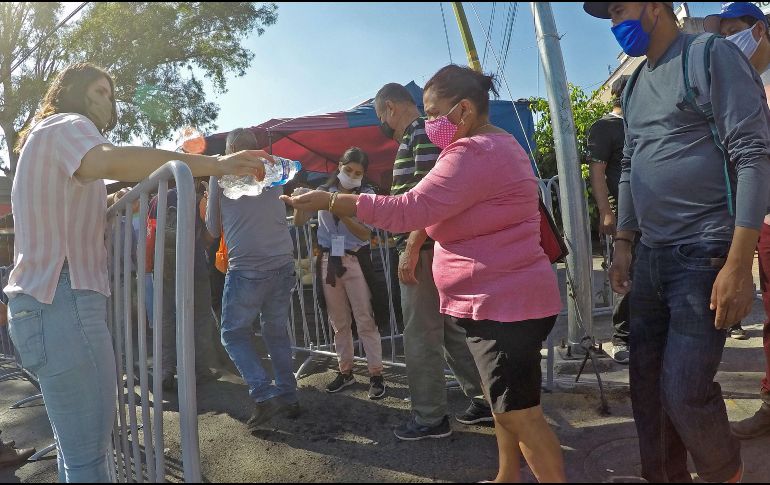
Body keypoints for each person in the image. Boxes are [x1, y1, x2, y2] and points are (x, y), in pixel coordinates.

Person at [284, 64, 566, 483]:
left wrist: (330, 200)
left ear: (464, 110)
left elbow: (407, 211)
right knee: (504, 405)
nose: (429, 124)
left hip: (504, 302)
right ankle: (507, 476)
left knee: (521, 415)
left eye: (434, 114)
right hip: (498, 298)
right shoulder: (494, 144)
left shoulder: (474, 153)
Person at [4, 62, 266, 483]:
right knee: (89, 458)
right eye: (99, 91)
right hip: (63, 301)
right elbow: (112, 159)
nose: (108, 102)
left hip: (45, 306)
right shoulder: (68, 125)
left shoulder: (47, 139)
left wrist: (108, 200)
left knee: (78, 454)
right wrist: (216, 164)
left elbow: (76, 196)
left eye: (111, 93)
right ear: (73, 93)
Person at [585, 2, 770, 482]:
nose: (614, 24)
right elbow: (629, 164)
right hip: (651, 254)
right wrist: (624, 239)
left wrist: (736, 263)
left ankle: (724, 471)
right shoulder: (635, 85)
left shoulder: (709, 55)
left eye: (620, 9)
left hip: (705, 250)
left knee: (684, 390)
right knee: (647, 388)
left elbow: (752, 154)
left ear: (654, 6)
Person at [374, 82, 491, 440]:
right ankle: (486, 401)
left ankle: (429, 418)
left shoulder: (418, 134)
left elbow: (430, 193)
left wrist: (410, 247)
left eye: (382, 116)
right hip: (430, 248)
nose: (383, 123)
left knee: (421, 336)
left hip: (422, 251)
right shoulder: (422, 134)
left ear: (391, 107)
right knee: (452, 332)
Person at [206, 128, 300, 432]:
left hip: (247, 266)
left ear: (231, 150)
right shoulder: (273, 170)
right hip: (282, 261)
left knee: (232, 334)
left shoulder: (221, 174)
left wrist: (212, 183)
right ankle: (288, 396)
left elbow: (211, 228)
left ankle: (263, 394)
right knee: (276, 332)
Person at [705, 1, 770, 440]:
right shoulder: (744, 84)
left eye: (734, 32)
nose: (728, 42)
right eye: (721, 34)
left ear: (759, 31)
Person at [292, 147, 386, 399]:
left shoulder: (365, 195)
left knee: (365, 318)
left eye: (358, 172)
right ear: (339, 168)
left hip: (355, 260)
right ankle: (346, 371)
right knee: (338, 322)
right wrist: (299, 201)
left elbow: (365, 234)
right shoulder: (323, 191)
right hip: (327, 262)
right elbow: (300, 222)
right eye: (348, 170)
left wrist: (338, 208)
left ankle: (376, 373)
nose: (352, 175)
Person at [148, 179, 220, 391]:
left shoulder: (158, 199)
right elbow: (210, 234)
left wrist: (150, 263)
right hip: (194, 265)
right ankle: (200, 370)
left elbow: (150, 232)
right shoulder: (198, 199)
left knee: (166, 318)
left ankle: (166, 370)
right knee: (199, 317)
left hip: (164, 266)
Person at [586, 75, 631, 363]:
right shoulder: (604, 127)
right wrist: (606, 211)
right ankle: (622, 339)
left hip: (655, 215)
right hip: (625, 217)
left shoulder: (643, 125)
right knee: (624, 275)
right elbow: (597, 173)